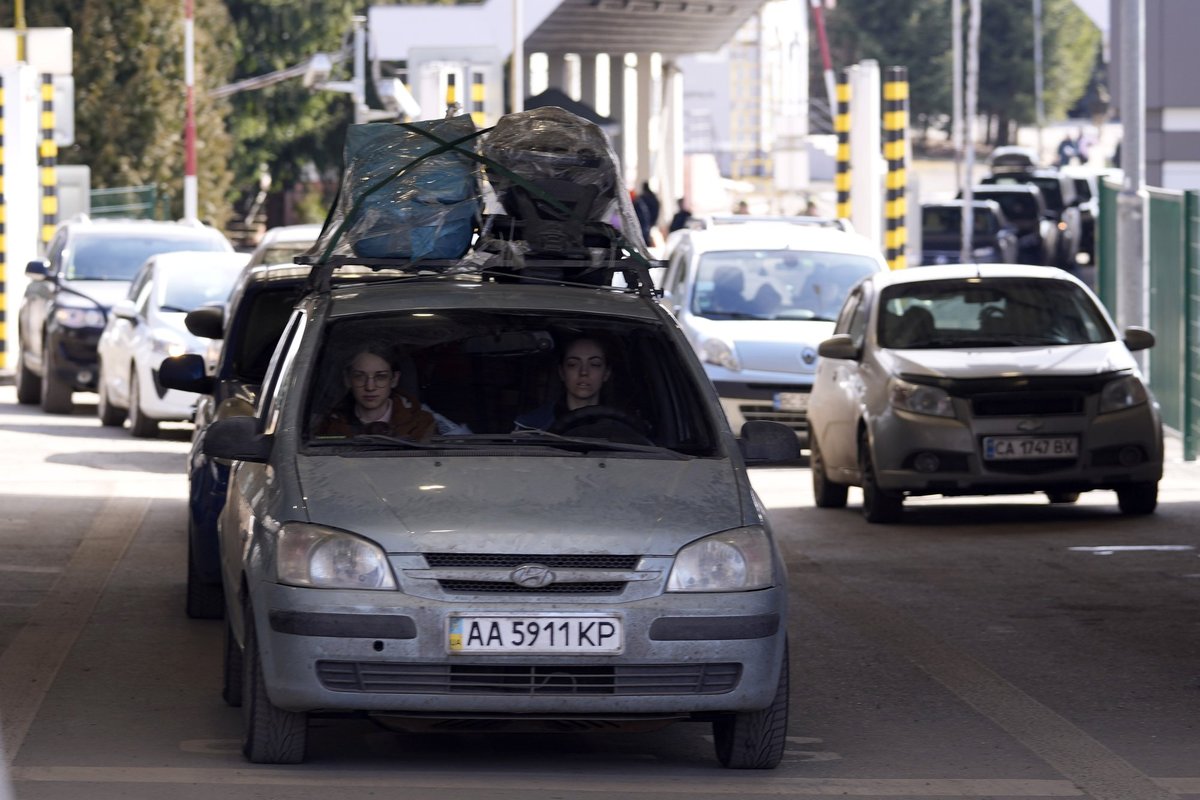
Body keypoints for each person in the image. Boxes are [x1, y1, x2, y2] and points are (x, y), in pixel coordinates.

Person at [314, 344, 469, 439]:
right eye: (360, 377)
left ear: (394, 379)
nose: (370, 387)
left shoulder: (421, 423)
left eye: (380, 377)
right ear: (347, 379)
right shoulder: (327, 425)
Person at [514, 336, 612, 431]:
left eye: (595, 364)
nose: (584, 372)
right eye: (572, 364)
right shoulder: (531, 425)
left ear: (606, 373)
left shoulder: (619, 426)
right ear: (562, 372)